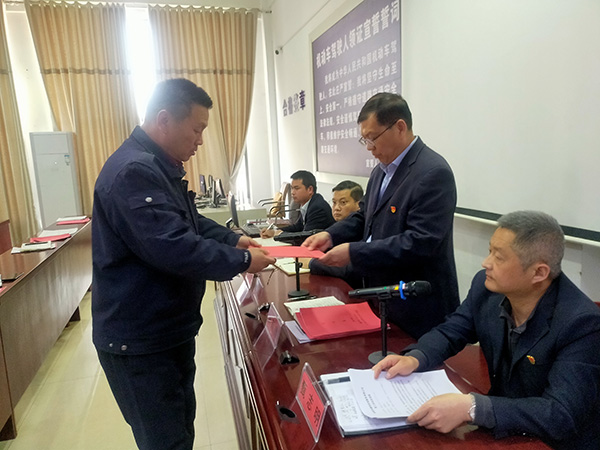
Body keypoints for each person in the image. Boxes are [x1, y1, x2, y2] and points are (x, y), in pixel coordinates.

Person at [91, 78, 275, 450]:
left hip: (165, 330)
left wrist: (231, 238)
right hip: (141, 341)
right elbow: (172, 246)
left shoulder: (159, 166)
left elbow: (186, 221)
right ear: (164, 120)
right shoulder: (134, 171)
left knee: (180, 430)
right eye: (197, 129)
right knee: (165, 441)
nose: (200, 141)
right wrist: (243, 260)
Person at [373, 211, 600, 450]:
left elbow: (560, 414)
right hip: (504, 431)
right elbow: (451, 331)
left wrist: (471, 407)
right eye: (490, 251)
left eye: (498, 257)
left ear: (539, 273)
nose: (486, 263)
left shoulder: (582, 324)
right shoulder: (486, 288)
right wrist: (415, 358)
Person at [303, 92, 459, 338]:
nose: (369, 148)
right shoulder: (380, 172)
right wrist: (330, 235)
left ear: (400, 127)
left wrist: (354, 252)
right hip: (381, 299)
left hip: (416, 306)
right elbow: (364, 217)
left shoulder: (433, 172)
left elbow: (420, 242)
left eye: (373, 138)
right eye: (364, 140)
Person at [309, 180, 363, 286]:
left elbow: (347, 270)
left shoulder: (358, 233)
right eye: (334, 203)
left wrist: (312, 263)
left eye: (343, 203)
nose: (336, 208)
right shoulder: (334, 229)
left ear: (359, 205)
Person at [261, 170, 334, 237]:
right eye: (292, 188)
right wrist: (275, 232)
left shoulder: (317, 208)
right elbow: (298, 227)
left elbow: (306, 236)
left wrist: (279, 234)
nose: (292, 192)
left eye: (296, 188)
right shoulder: (307, 204)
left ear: (310, 189)